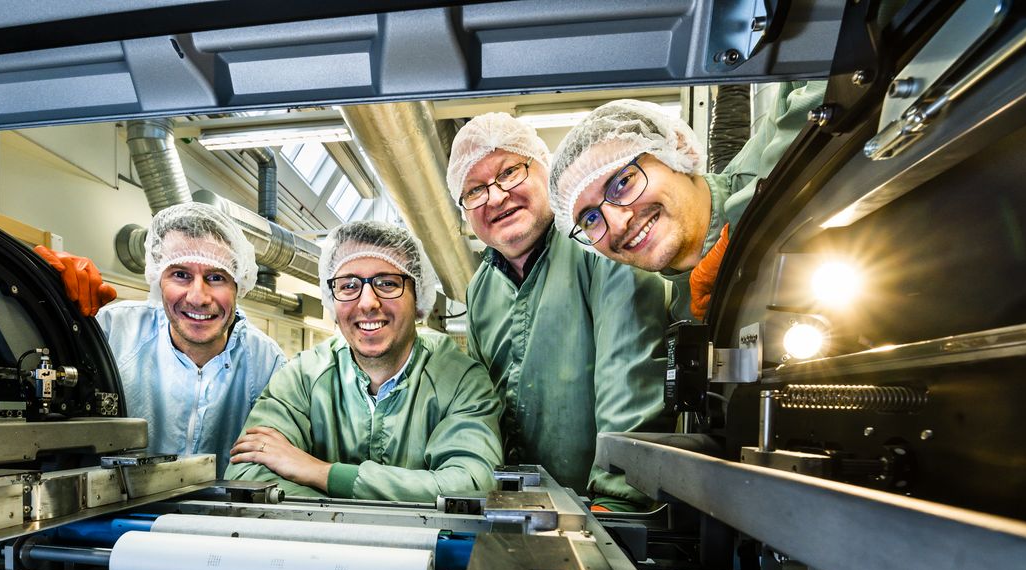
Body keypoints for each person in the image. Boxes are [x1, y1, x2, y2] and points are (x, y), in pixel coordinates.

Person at [447, 113, 673, 511]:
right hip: (516, 509)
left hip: (605, 512)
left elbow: (630, 378)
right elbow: (483, 408)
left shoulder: (600, 245)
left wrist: (615, 503)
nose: (496, 197)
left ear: (543, 168)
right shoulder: (480, 287)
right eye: (475, 191)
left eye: (509, 172)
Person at [225, 221, 502, 501]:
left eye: (387, 283)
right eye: (348, 286)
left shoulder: (460, 381)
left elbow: (473, 483)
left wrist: (321, 473)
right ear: (332, 301)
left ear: (418, 295)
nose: (368, 302)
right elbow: (248, 475)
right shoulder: (302, 378)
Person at [34, 202, 285, 475]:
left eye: (215, 277)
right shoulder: (112, 331)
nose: (198, 298)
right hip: (113, 511)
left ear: (239, 284)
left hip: (218, 516)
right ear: (157, 279)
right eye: (180, 275)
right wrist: (43, 296)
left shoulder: (266, 363)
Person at [548, 83, 826, 320]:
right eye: (591, 219)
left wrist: (747, 228)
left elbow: (835, 50)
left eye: (623, 182)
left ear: (677, 147)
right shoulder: (673, 317)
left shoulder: (765, 165)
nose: (618, 224)